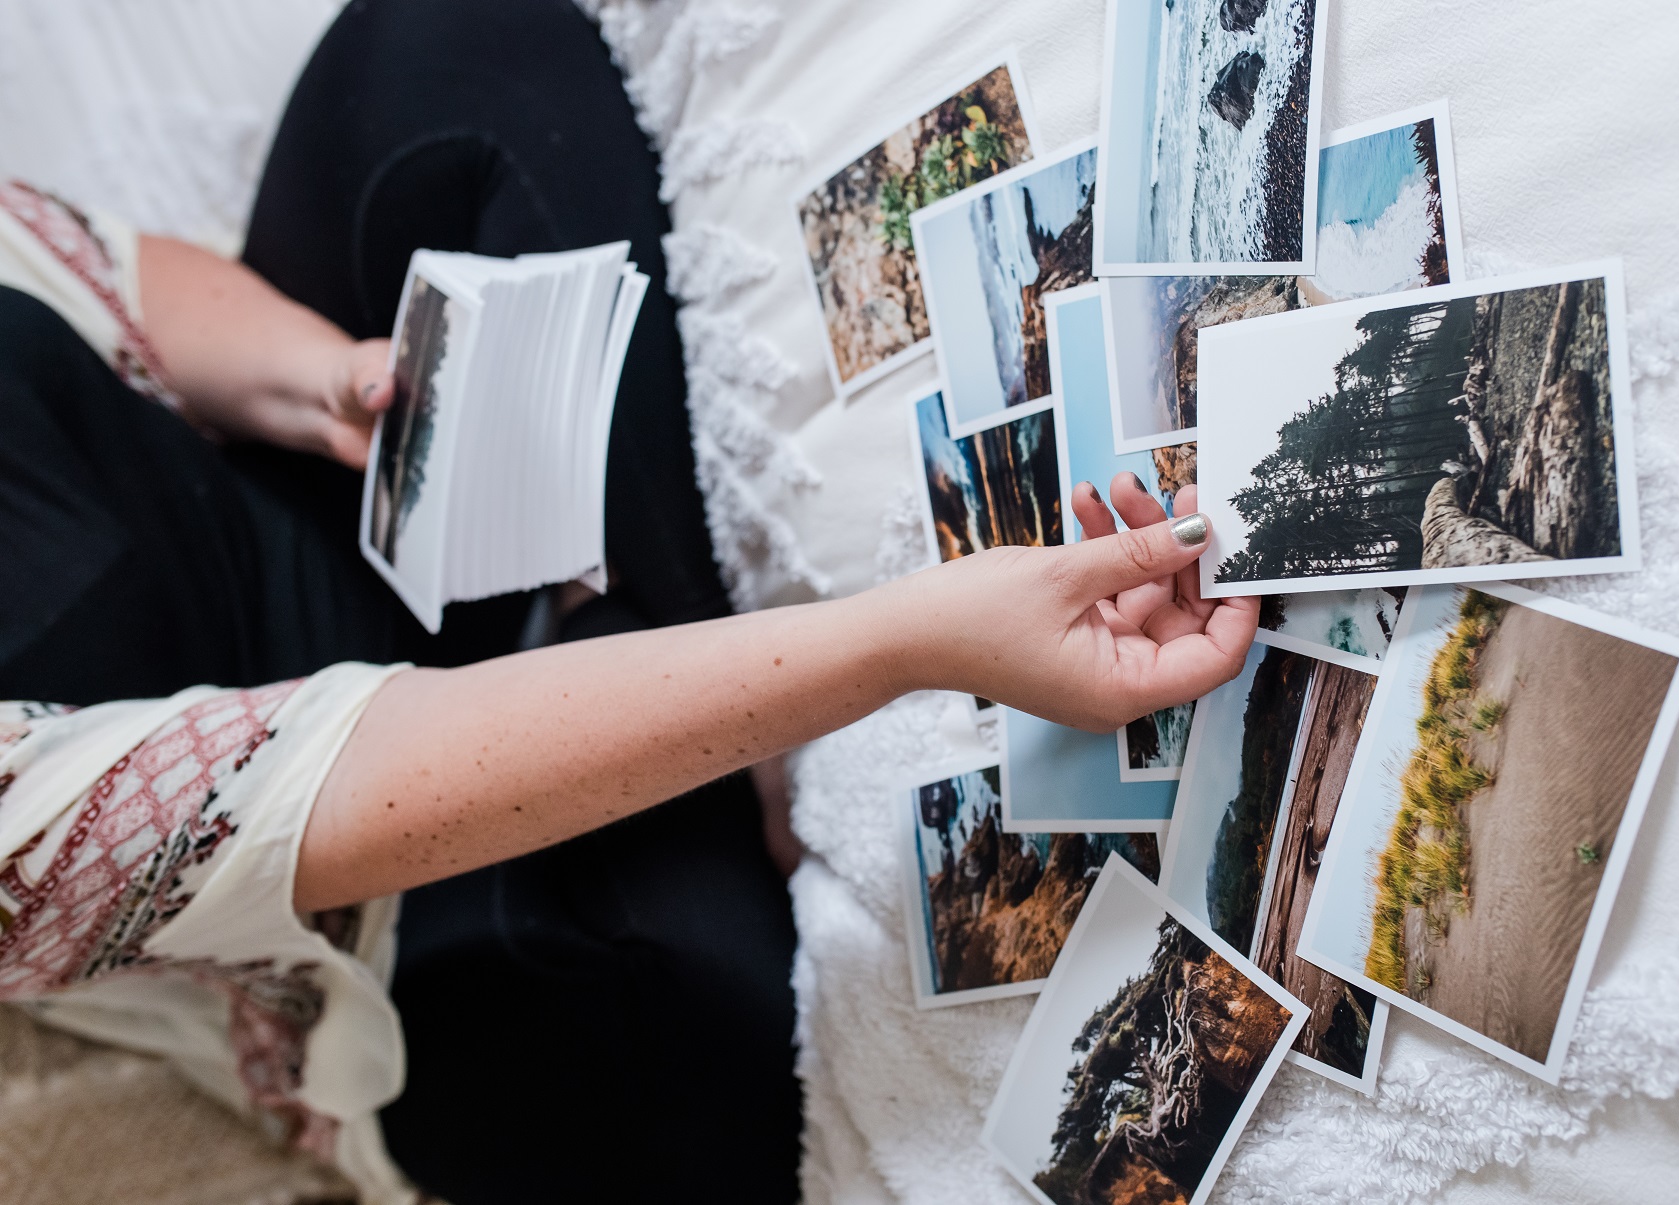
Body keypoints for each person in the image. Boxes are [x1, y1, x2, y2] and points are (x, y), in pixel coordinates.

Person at [0, 1, 1256, 1202]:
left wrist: (311, 375)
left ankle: (644, 602)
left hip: (310, 499)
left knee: (445, 56)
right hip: (366, 907)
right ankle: (679, 641)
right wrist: (898, 643)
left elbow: (96, 274)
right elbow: (344, 784)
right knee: (713, 1057)